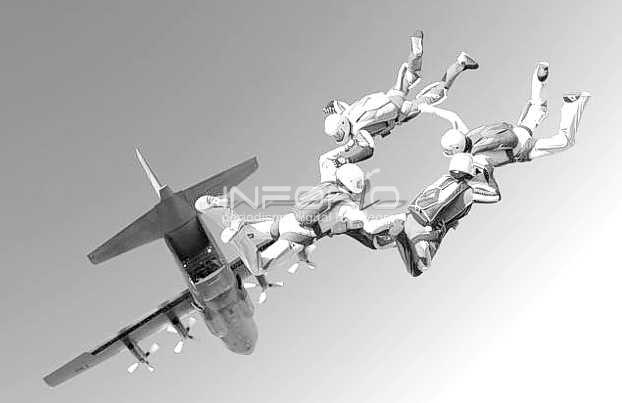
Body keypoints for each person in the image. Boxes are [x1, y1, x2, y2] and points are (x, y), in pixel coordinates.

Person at [196, 164, 406, 303]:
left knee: (246, 229)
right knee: (259, 266)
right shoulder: (347, 206)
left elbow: (325, 159)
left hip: (285, 221)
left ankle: (217, 209)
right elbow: (370, 228)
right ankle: (237, 237)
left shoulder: (328, 182)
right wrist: (399, 218)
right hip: (298, 236)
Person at [319, 30, 478, 182]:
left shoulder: (358, 130)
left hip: (399, 112)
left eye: (338, 133)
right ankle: (417, 53)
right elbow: (336, 104)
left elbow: (368, 150)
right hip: (391, 96)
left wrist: (347, 160)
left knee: (435, 95)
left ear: (342, 125)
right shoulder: (347, 113)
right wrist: (329, 108)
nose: (338, 136)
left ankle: (460, 63)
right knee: (411, 76)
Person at [424, 62, 591, 202]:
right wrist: (428, 109)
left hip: (524, 148)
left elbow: (491, 190)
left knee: (565, 141)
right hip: (519, 129)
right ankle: (539, 78)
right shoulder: (467, 134)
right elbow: (452, 116)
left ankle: (573, 104)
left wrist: (473, 191)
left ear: (457, 149)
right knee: (538, 105)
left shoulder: (476, 158)